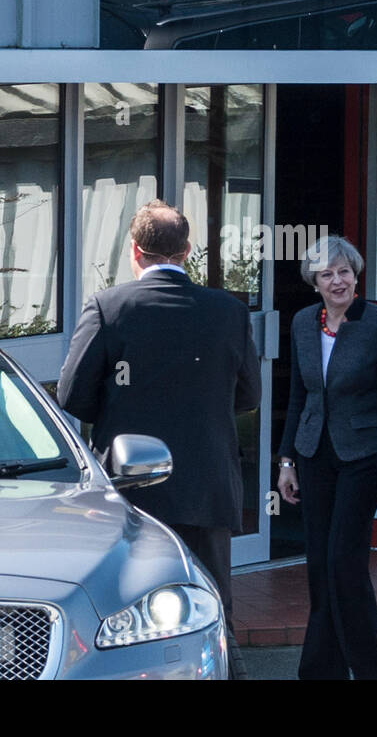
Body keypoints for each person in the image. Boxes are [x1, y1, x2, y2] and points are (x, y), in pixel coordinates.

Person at [56, 200, 261, 673]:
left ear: (135, 251)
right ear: (188, 250)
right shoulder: (228, 311)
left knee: (128, 606)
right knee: (211, 603)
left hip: (131, 487)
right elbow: (249, 394)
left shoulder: (110, 307)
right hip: (208, 481)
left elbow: (71, 395)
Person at [277, 235, 377, 680]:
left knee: (345, 563)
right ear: (315, 282)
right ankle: (321, 669)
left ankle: (372, 671)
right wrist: (286, 460)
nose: (337, 280)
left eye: (344, 271)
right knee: (319, 565)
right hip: (313, 453)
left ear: (356, 273)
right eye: (326, 274)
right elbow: (298, 393)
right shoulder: (304, 321)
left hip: (361, 455)